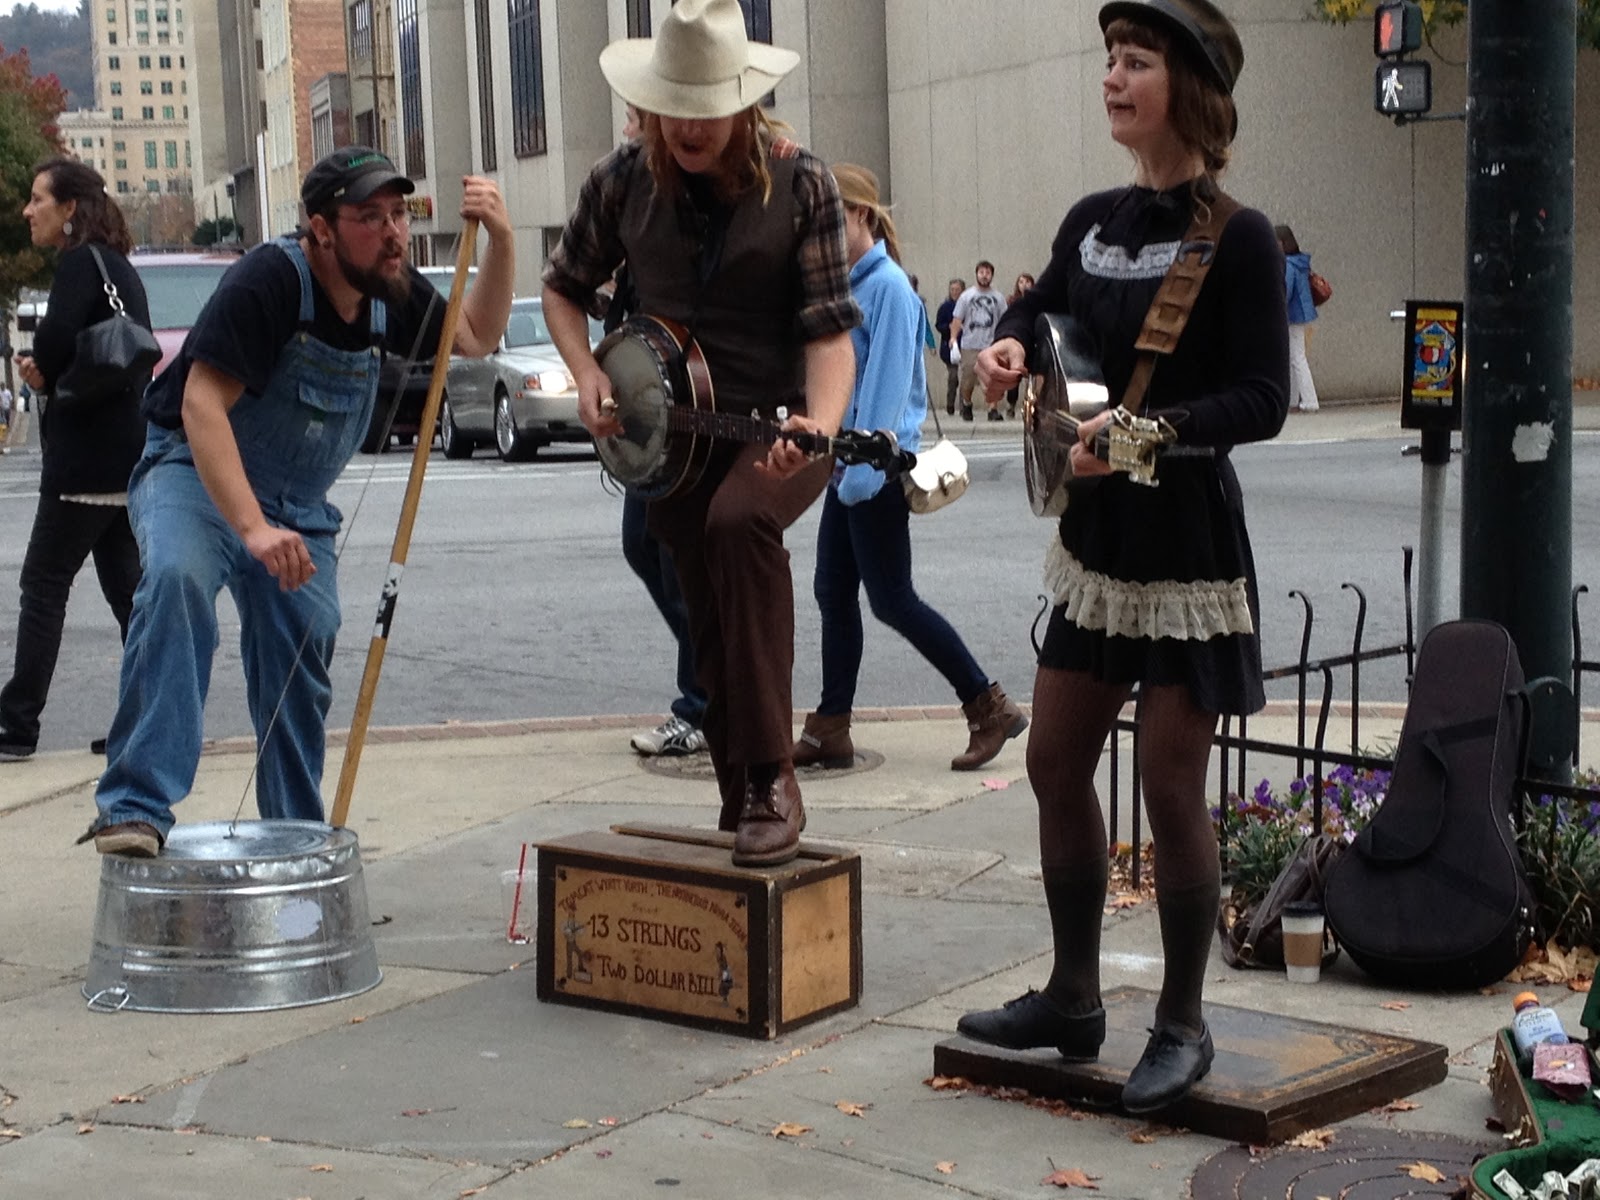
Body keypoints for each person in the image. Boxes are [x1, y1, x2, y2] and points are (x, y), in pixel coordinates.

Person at [958, 0, 1288, 1115]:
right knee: (1054, 760)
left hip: (1185, 544)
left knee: (1167, 779)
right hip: (1097, 541)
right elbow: (1041, 307)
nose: (1110, 76)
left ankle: (1183, 1022)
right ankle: (1072, 999)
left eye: (1134, 61)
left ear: (1188, 88)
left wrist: (1139, 437)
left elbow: (1260, 398)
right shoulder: (1092, 217)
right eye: (1108, 58)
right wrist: (1007, 345)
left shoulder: (1235, 236)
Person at [83, 147, 514, 856]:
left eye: (399, 214)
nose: (393, 233)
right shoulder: (269, 282)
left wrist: (498, 239)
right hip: (194, 472)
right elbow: (200, 405)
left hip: (296, 504)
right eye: (369, 217)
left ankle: (295, 831)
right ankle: (134, 804)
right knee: (177, 583)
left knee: (302, 640)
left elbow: (475, 336)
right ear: (320, 229)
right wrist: (251, 529)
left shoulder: (390, 290)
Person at [542, 0, 859, 868]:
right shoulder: (618, 181)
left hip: (778, 427)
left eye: (703, 106)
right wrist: (588, 373)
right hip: (670, 440)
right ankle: (739, 790)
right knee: (709, 614)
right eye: (668, 105)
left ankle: (770, 780)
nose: (683, 125)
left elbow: (832, 334)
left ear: (744, 103)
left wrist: (820, 429)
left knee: (739, 527)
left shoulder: (803, 184)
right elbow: (562, 289)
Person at [793, 164, 1027, 775]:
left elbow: (889, 390)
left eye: (832, 220)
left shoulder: (888, 288)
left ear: (864, 218)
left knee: (892, 600)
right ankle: (830, 727)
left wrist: (861, 476)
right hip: (849, 469)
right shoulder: (849, 285)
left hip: (874, 470)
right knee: (834, 592)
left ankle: (988, 704)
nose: (819, 232)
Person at [1, 159, 148, 762]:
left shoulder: (77, 265)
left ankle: (17, 722)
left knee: (43, 585)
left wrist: (43, 366)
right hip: (126, 454)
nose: (27, 210)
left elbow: (57, 339)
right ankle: (146, 722)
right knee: (131, 599)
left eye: (39, 200)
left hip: (83, 461)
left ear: (69, 211)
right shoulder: (119, 268)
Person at [607, 102, 710, 759]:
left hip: (689, 408)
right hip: (652, 404)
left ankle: (703, 700)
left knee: (677, 563)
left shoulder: (682, 197)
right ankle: (710, 683)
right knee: (644, 548)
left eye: (635, 117)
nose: (627, 129)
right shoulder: (632, 191)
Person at [949, 261, 1007, 421]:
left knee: (992, 379)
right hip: (970, 345)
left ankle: (992, 409)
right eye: (981, 272)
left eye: (987, 272)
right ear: (976, 274)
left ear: (992, 276)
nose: (984, 275)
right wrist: (953, 339)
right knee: (967, 381)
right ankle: (967, 404)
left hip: (991, 345)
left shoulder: (998, 298)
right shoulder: (966, 296)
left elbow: (1005, 320)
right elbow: (957, 319)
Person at [1276, 224, 1319, 412]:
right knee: (1294, 358)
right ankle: (1294, 401)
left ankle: (1309, 401)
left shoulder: (1288, 265)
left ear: (1282, 243)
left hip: (1292, 316)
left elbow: (1284, 292)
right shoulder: (1299, 262)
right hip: (1300, 314)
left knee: (1297, 358)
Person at [1003, 273, 1036, 418]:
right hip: (1017, 341)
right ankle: (1011, 405)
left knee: (1032, 379)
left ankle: (1029, 406)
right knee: (1014, 376)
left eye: (1027, 281)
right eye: (1021, 282)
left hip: (1034, 341)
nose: (1024, 285)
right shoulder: (1011, 301)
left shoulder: (1037, 300)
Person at [934, 279, 964, 416]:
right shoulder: (945, 307)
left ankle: (964, 405)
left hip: (966, 344)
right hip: (949, 346)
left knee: (966, 377)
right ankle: (950, 404)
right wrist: (948, 328)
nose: (954, 292)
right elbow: (939, 325)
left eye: (957, 290)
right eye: (952, 289)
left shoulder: (967, 305)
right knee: (953, 377)